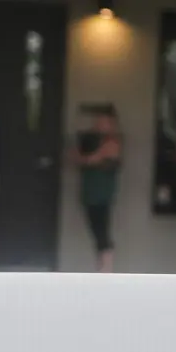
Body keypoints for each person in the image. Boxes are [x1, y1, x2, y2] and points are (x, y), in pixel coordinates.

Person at [73, 104, 122, 273]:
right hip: (89, 193)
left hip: (102, 194)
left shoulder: (113, 141)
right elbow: (76, 158)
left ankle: (107, 268)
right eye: (98, 120)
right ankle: (100, 266)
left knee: (102, 229)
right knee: (95, 230)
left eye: (103, 121)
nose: (99, 123)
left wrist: (87, 159)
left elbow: (92, 160)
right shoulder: (90, 140)